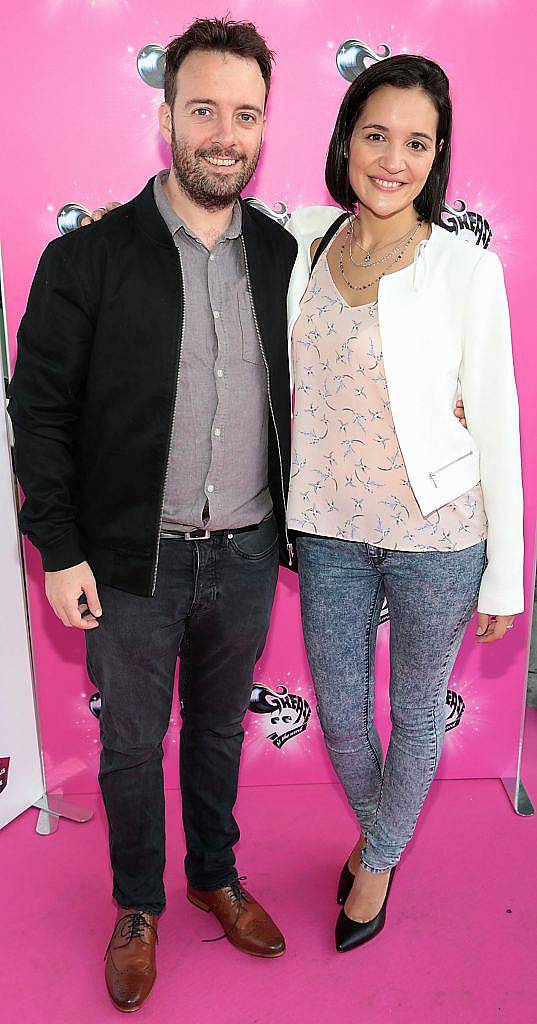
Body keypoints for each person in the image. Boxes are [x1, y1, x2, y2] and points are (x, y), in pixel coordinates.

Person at [8, 17, 298, 1013]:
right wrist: (61, 547)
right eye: (206, 110)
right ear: (166, 116)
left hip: (252, 549)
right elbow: (37, 410)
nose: (226, 133)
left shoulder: (282, 256)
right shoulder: (86, 260)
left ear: (265, 128)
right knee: (133, 744)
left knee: (218, 730)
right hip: (133, 561)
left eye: (246, 115)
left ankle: (213, 873)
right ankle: (138, 905)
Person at [284, 53, 523, 952]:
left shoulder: (466, 270)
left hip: (439, 533)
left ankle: (374, 861)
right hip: (328, 526)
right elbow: (209, 235)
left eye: (415, 142)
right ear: (346, 139)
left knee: (415, 712)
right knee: (342, 713)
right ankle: (380, 841)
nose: (392, 159)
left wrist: (504, 578)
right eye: (375, 135)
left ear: (436, 155)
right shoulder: (302, 241)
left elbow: (493, 421)